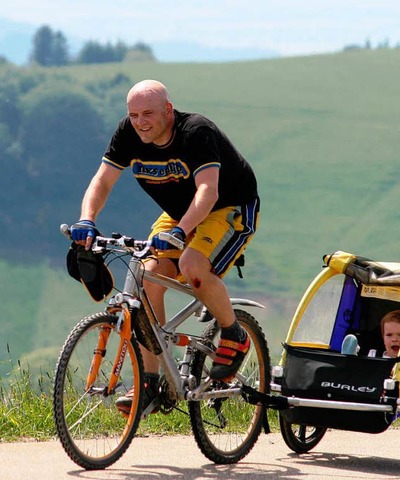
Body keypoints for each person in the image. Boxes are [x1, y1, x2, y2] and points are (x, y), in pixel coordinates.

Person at [70, 79, 260, 413]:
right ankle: (152, 382)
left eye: (148, 113)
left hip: (228, 208)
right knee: (145, 279)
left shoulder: (195, 132)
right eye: (133, 115)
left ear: (168, 110)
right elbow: (103, 179)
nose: (140, 122)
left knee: (191, 265)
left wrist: (181, 232)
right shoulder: (128, 133)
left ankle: (234, 334)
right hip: (180, 214)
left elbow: (208, 192)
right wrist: (87, 219)